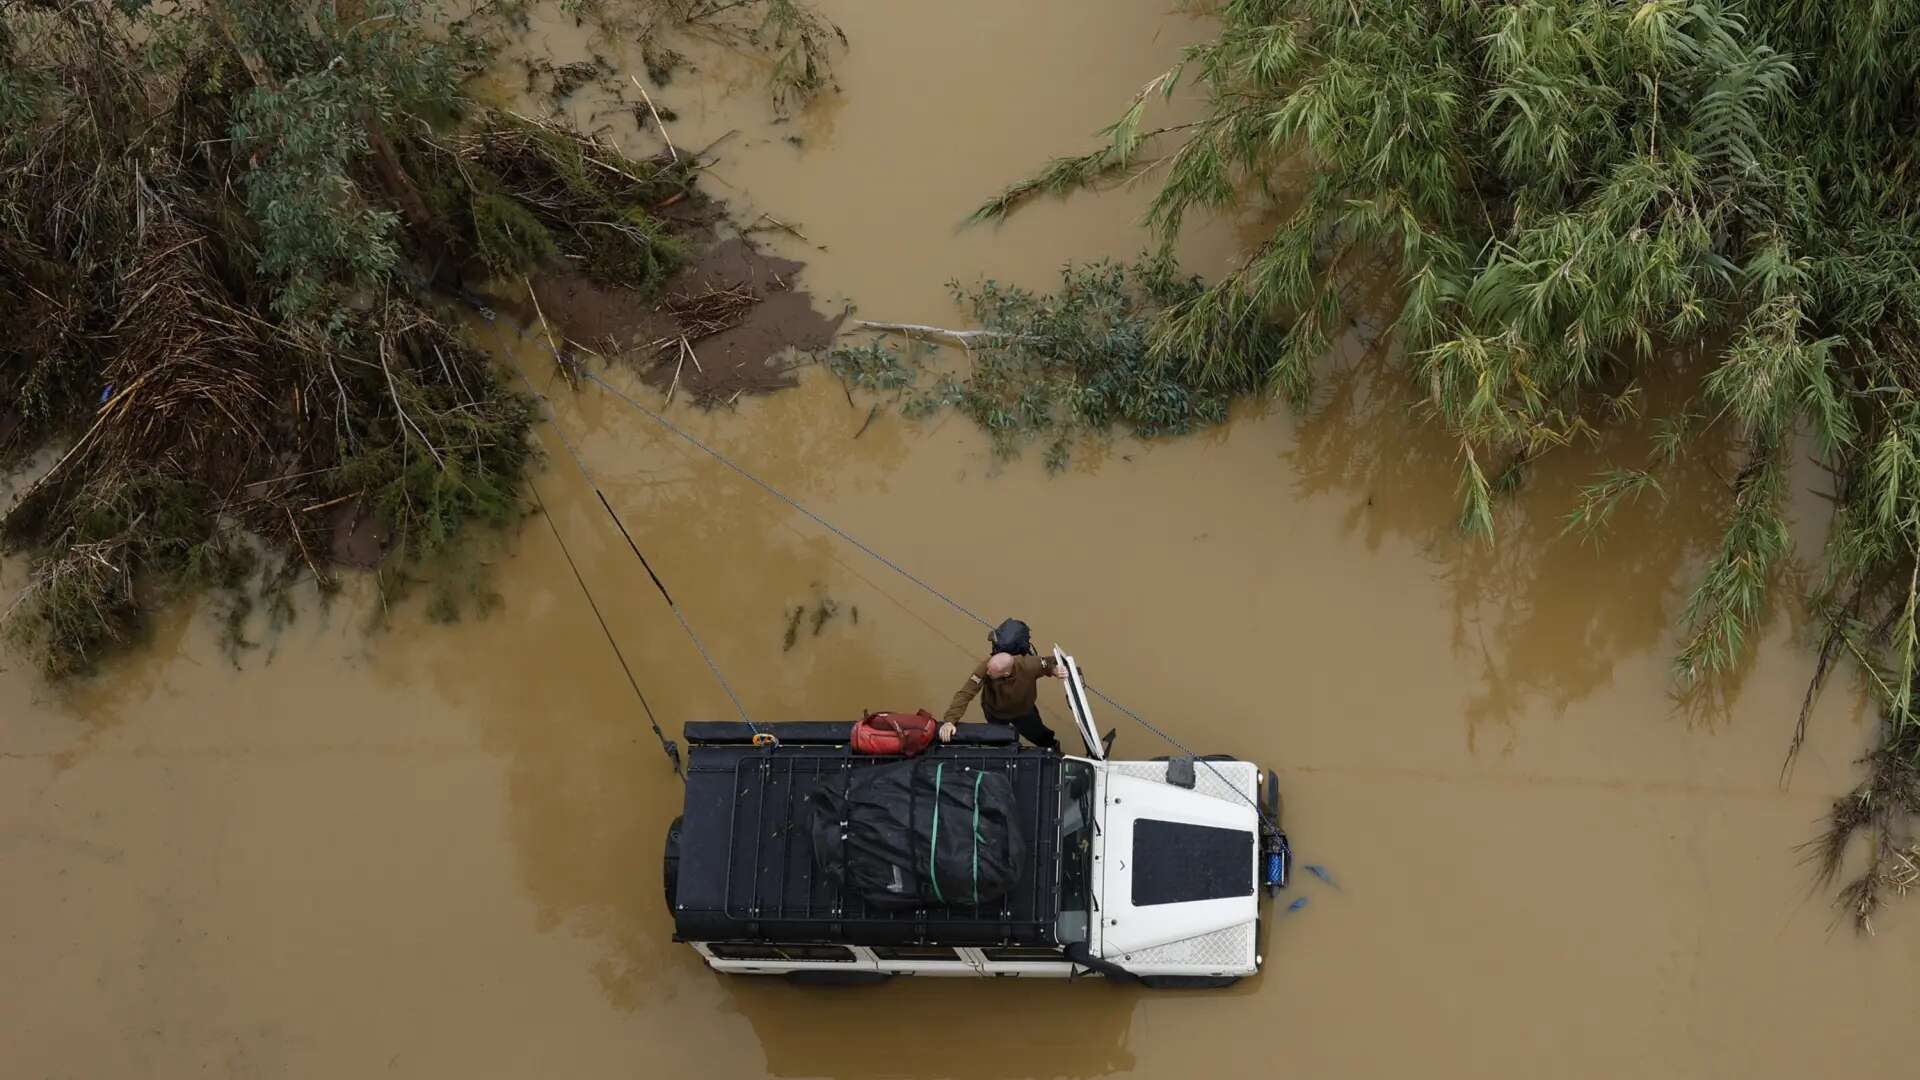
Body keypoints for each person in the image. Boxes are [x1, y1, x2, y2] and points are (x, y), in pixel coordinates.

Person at [939, 649, 1068, 750]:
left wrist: (1055, 670)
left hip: (1022, 711)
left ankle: (1055, 753)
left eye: (991, 672)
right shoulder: (986, 667)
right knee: (997, 741)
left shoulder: (1028, 664)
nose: (987, 672)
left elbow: (1048, 662)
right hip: (995, 712)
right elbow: (966, 693)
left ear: (1006, 673)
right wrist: (950, 721)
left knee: (1041, 737)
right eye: (988, 668)